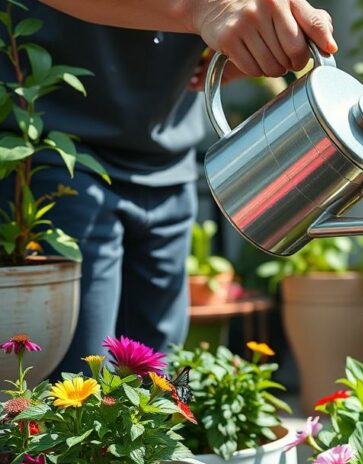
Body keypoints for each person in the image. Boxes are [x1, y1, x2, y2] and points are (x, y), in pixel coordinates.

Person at [0, 0, 337, 373]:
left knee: (159, 394)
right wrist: (207, 9)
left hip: (169, 148)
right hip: (57, 145)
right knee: (72, 394)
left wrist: (261, 32)